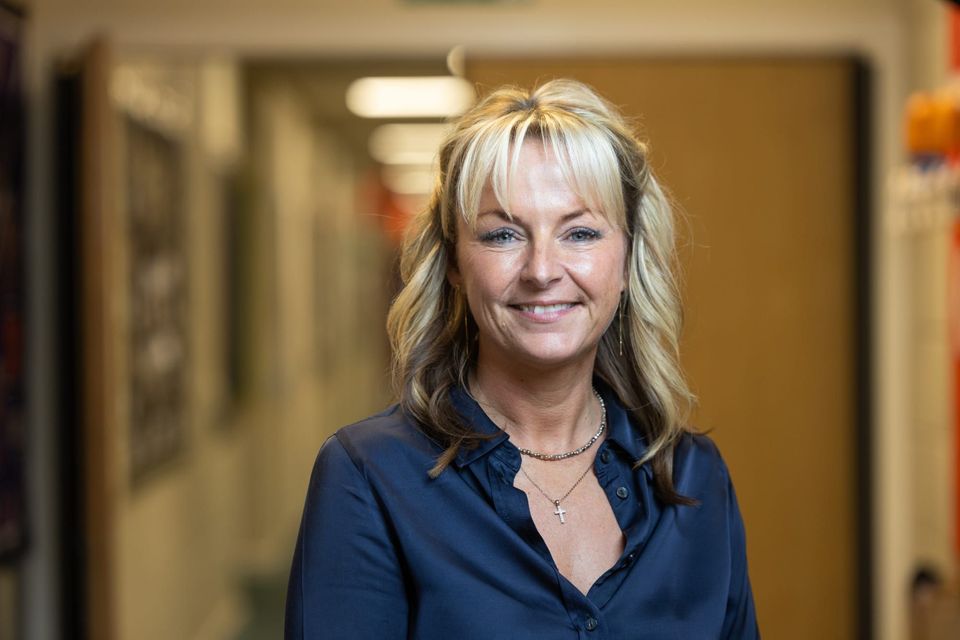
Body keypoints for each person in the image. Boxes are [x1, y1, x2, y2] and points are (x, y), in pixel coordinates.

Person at [285, 79, 759, 639]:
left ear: (628, 258)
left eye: (579, 232)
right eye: (504, 235)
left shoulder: (694, 477)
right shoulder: (369, 478)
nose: (541, 270)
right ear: (456, 264)